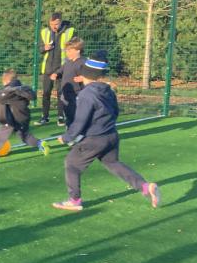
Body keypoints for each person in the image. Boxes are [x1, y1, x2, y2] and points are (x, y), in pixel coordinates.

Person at [52, 51, 161, 212]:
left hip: (94, 139)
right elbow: (115, 112)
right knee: (112, 163)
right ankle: (145, 186)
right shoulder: (108, 90)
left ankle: (74, 201)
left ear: (84, 74)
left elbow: (80, 121)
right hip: (111, 135)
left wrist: (67, 137)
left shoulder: (86, 94)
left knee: (72, 164)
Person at [0, 68, 50, 159]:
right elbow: (33, 96)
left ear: (6, 80)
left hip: (12, 117)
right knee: (24, 135)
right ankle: (40, 143)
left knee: (1, 133)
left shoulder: (9, 90)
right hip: (23, 116)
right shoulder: (23, 88)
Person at [38, 12, 75, 126]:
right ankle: (45, 116)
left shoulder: (70, 31)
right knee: (46, 93)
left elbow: (74, 48)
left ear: (61, 22)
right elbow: (39, 48)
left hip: (62, 68)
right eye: (52, 24)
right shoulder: (44, 32)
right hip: (48, 68)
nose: (54, 26)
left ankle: (61, 117)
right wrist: (44, 48)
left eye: (56, 24)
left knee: (61, 93)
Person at [55, 37, 87, 128]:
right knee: (68, 112)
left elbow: (90, 76)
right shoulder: (67, 62)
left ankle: (78, 130)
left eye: (69, 50)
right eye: (66, 50)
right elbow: (61, 70)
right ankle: (70, 129)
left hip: (77, 93)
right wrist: (56, 74)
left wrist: (83, 78)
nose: (67, 53)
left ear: (78, 50)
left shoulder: (84, 62)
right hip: (65, 93)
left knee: (76, 113)